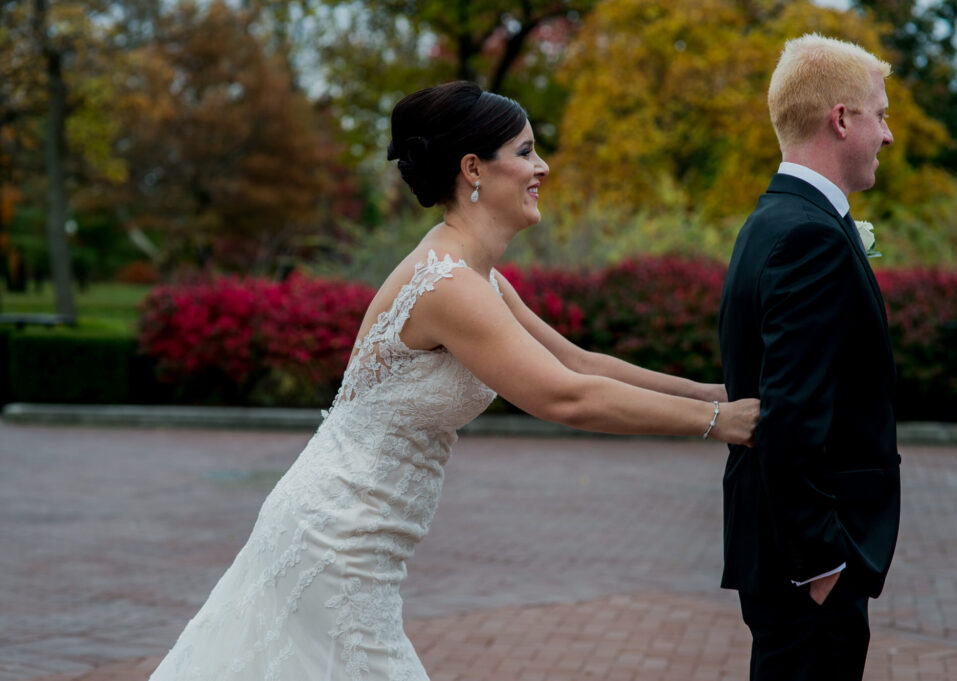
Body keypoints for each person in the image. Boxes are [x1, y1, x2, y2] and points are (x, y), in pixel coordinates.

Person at [149, 81, 759, 681]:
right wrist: (718, 425)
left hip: (361, 538)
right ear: (473, 168)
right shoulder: (448, 285)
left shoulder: (475, 276)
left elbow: (578, 362)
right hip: (335, 539)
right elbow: (562, 396)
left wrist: (715, 394)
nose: (541, 167)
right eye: (524, 152)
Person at [717, 34, 901, 680]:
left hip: (784, 555)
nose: (889, 135)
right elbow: (791, 414)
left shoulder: (769, 221)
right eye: (880, 114)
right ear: (841, 117)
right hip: (807, 563)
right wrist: (823, 562)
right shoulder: (808, 237)